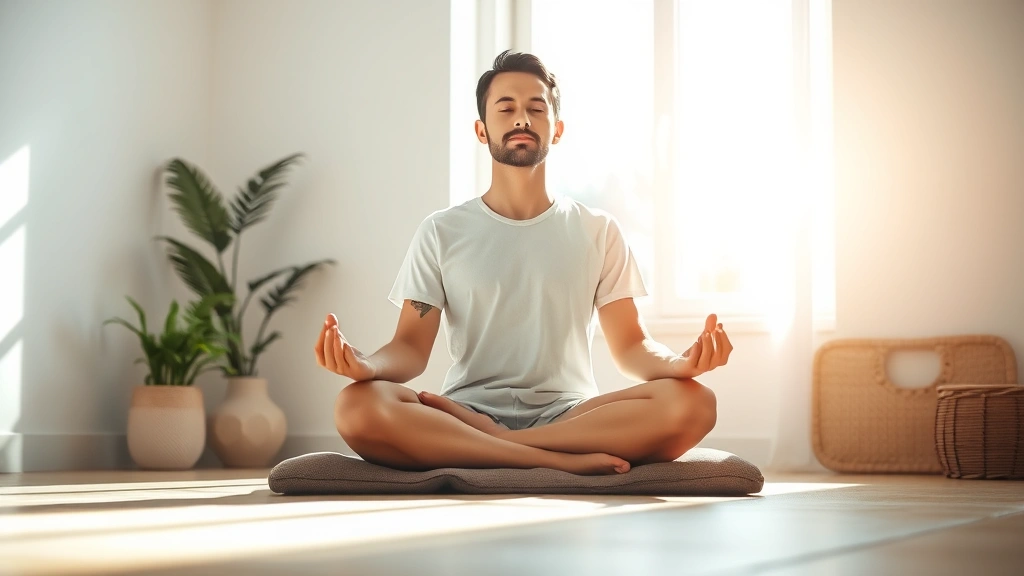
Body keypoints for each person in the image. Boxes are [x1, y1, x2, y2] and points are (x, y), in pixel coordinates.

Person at [313, 50, 732, 476]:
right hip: (462, 411)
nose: (522, 120)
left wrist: (680, 365)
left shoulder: (598, 230)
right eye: (506, 108)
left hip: (571, 417)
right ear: (482, 130)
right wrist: (367, 366)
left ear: (558, 129)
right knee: (356, 405)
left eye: (536, 108)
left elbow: (630, 347)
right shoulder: (441, 231)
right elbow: (409, 348)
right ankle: (543, 459)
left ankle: (503, 446)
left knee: (694, 402)